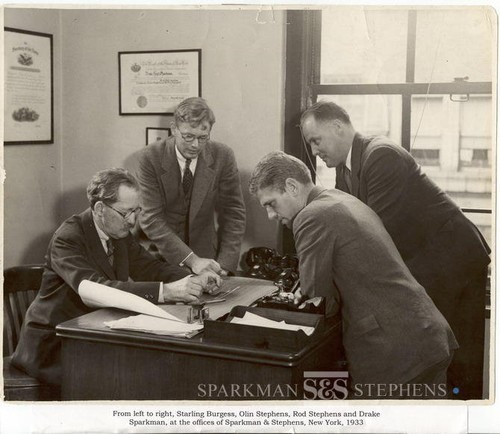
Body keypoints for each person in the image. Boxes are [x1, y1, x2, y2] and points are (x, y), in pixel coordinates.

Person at [300, 101, 490, 400]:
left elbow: (376, 233)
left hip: (453, 262)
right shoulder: (345, 170)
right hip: (427, 263)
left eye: (316, 140)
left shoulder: (381, 155)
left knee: (459, 367)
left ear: (337, 127)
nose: (314, 151)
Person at [249, 151, 458, 399]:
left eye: (271, 203)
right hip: (426, 336)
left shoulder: (311, 216)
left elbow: (318, 302)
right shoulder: (340, 198)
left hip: (394, 352)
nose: (271, 216)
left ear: (292, 186)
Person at [11, 168, 220, 386]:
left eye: (136, 211)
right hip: (56, 345)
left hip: (94, 334)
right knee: (136, 377)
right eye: (125, 213)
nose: (132, 222)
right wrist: (166, 292)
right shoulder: (68, 238)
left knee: (154, 368)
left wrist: (194, 276)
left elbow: (150, 267)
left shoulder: (118, 232)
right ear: (100, 208)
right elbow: (94, 289)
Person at [137, 97, 246, 276]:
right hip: (160, 256)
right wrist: (192, 260)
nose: (196, 145)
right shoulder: (150, 157)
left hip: (208, 257)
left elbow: (234, 213)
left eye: (203, 137)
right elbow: (151, 219)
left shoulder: (223, 156)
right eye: (188, 136)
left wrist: (225, 265)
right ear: (174, 129)